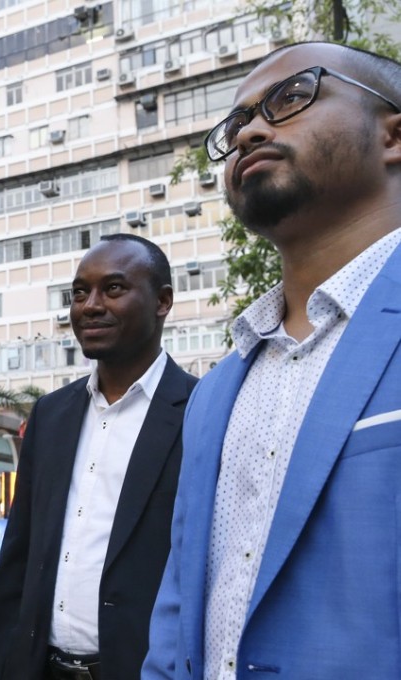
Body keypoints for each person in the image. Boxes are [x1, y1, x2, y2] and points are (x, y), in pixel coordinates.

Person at [144, 42, 401, 679]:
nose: (249, 131)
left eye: (291, 97)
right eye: (234, 127)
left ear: (394, 136)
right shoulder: (214, 392)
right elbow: (180, 611)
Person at [0, 234, 197, 680]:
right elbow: (18, 557)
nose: (90, 305)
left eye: (113, 289)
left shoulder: (202, 409)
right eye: (80, 293)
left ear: (163, 301)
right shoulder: (51, 413)